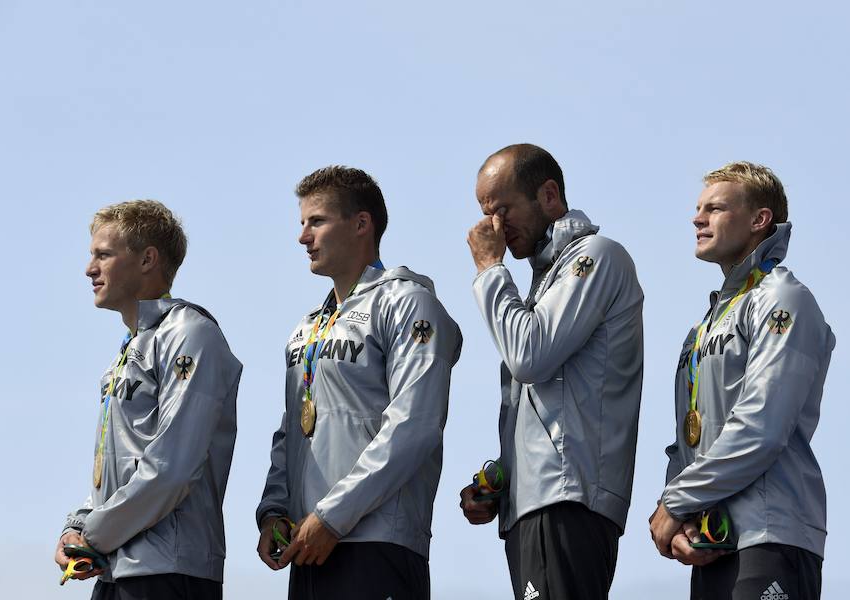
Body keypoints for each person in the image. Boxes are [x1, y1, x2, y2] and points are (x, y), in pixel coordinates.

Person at [256, 166, 462, 599]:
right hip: (309, 544)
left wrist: (333, 515)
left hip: (378, 543)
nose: (303, 236)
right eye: (302, 223)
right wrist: (273, 510)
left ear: (361, 224)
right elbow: (291, 428)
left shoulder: (407, 302)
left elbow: (414, 424)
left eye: (316, 221)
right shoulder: (305, 328)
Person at [460, 143, 644, 600]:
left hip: (566, 500)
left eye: (503, 209)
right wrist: (504, 477)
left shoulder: (596, 256)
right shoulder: (547, 276)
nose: (494, 227)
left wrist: (489, 269)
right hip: (538, 502)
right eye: (486, 213)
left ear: (548, 195)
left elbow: (529, 355)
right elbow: (550, 404)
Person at [649, 162, 834, 599]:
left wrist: (676, 502)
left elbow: (761, 427)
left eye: (714, 208)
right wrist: (681, 512)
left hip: (771, 534)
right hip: (713, 539)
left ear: (759, 220)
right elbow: (688, 437)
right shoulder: (704, 325)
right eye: (698, 208)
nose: (698, 218)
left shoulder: (784, 299)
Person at [54, 200, 243, 600]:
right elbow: (121, 468)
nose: (90, 269)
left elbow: (172, 468)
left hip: (170, 572)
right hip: (114, 569)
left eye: (103, 255)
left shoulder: (192, 334)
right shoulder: (130, 346)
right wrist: (79, 522)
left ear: (147, 260)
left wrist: (94, 534)